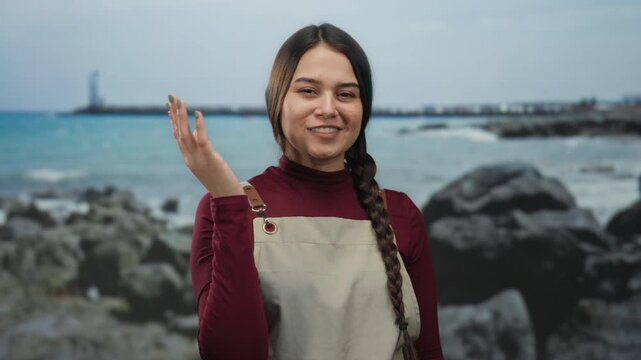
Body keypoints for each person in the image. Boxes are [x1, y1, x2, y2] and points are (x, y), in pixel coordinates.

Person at [167, 23, 443, 360]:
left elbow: (428, 350)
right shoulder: (223, 210)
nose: (328, 108)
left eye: (346, 94)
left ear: (363, 108)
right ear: (277, 100)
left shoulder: (401, 213)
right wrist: (227, 201)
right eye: (309, 91)